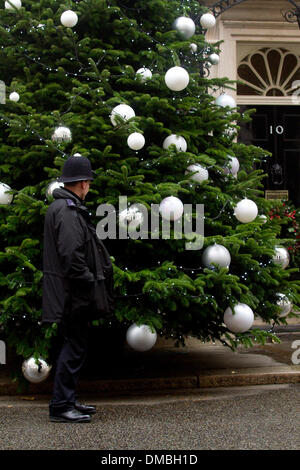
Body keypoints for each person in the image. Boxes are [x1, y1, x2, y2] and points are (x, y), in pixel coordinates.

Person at [42, 156, 114, 423]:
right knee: (74, 347)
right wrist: (89, 280)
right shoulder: (68, 210)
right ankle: (61, 405)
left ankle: (67, 400)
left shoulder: (62, 207)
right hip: (74, 292)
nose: (89, 186)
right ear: (83, 183)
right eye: (89, 182)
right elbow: (72, 255)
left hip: (69, 290)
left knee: (75, 346)